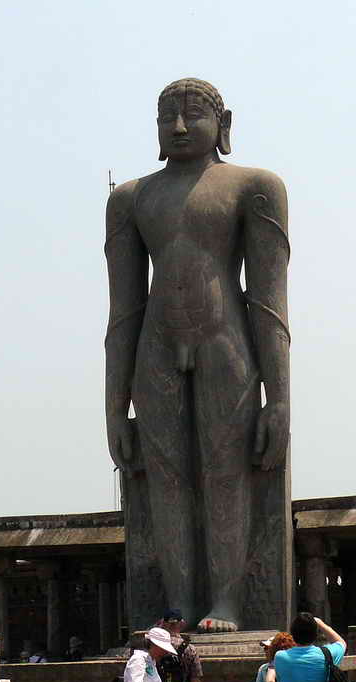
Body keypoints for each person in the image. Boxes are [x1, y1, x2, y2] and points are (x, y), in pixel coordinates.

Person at [104, 78, 291, 634]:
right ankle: (179, 603)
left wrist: (279, 398)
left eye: (192, 114)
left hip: (226, 340)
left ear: (223, 123)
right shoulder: (131, 198)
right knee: (164, 480)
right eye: (166, 117)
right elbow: (122, 312)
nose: (179, 127)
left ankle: (227, 603)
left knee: (226, 473)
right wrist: (114, 407)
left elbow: (269, 301)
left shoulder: (255, 186)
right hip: (155, 345)